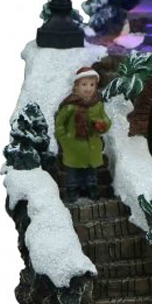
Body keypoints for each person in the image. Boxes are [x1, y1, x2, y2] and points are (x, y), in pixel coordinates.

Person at [55, 67, 111, 203]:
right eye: (84, 84)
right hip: (73, 146)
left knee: (91, 171)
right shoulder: (69, 106)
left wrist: (103, 125)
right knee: (73, 172)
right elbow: (60, 124)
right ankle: (72, 190)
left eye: (92, 85)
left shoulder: (98, 105)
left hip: (92, 146)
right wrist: (65, 139)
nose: (88, 88)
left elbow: (106, 119)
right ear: (76, 86)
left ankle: (91, 188)